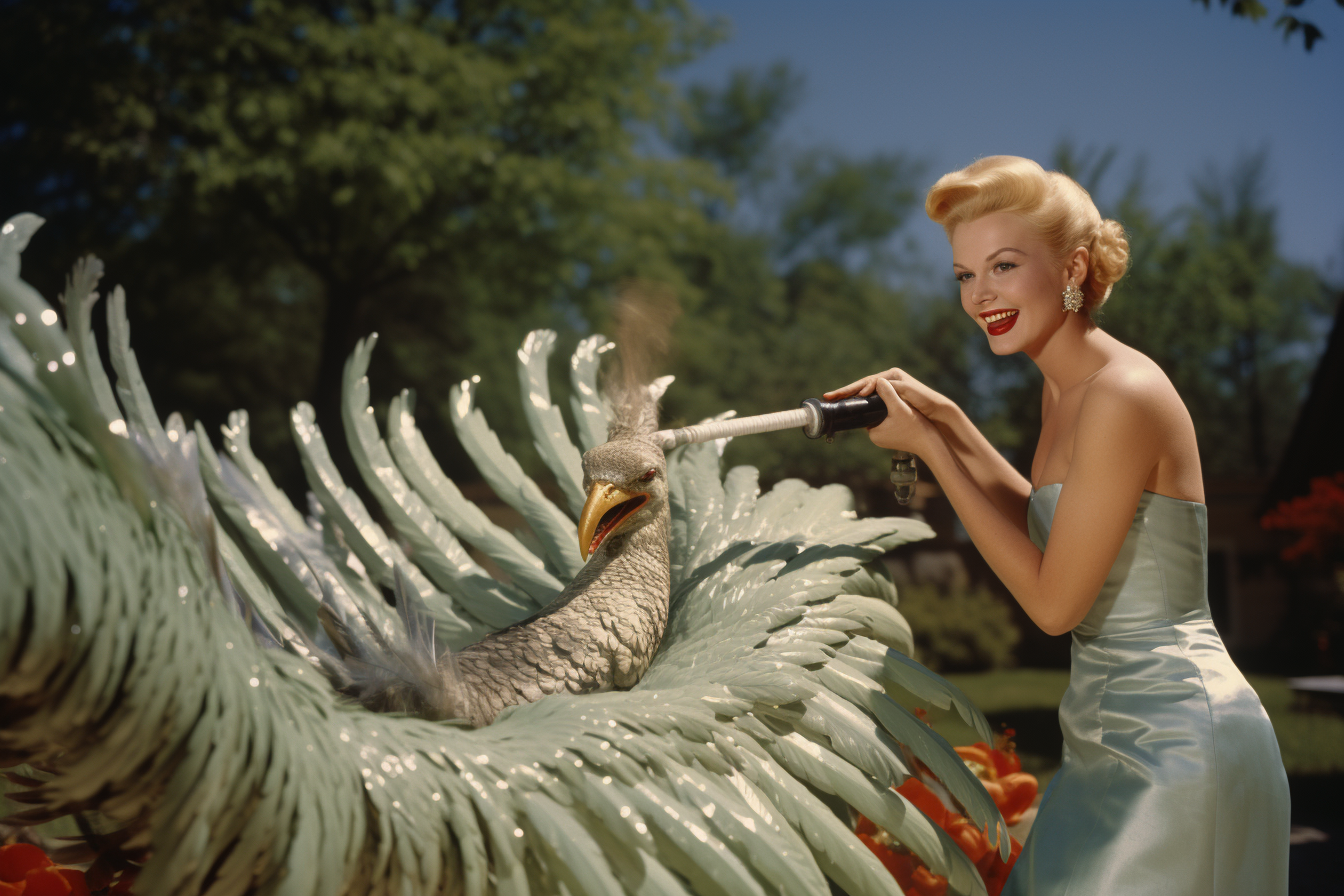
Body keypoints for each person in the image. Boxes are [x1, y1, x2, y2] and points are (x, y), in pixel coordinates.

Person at [828, 156, 1290, 895]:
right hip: (1107, 736)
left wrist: (933, 456)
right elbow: (1054, 529)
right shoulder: (1067, 392)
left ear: (1073, 267)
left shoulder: (1120, 394)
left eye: (1004, 266)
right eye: (964, 275)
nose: (981, 296)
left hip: (1179, 744)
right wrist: (949, 422)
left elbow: (1053, 605)